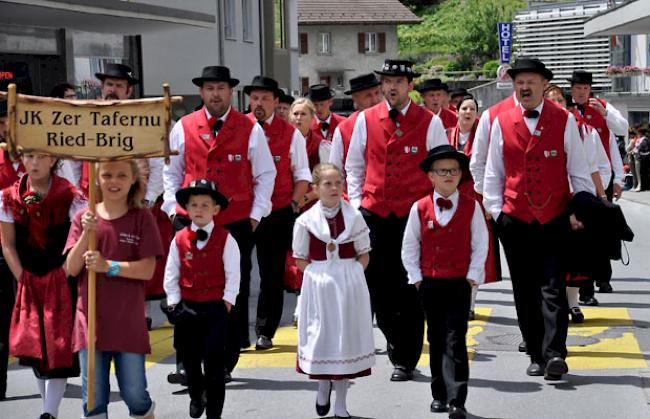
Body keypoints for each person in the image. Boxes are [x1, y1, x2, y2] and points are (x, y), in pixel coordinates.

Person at [484, 57, 595, 380]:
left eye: (531, 81)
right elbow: (493, 174)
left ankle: (555, 353)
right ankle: (535, 352)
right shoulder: (500, 122)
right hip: (515, 218)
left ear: (544, 85)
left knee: (553, 287)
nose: (525, 87)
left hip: (554, 217)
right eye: (519, 82)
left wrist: (579, 209)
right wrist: (498, 213)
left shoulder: (564, 119)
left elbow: (578, 171)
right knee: (524, 289)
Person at [163, 65, 276, 382]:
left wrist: (256, 214)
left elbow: (265, 174)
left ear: (231, 92)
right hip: (190, 221)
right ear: (201, 92)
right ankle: (186, 361)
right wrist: (172, 209)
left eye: (222, 88)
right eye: (210, 88)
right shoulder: (183, 126)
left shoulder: (249, 128)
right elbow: (171, 172)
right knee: (189, 290)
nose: (215, 94)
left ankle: (225, 359)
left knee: (232, 291)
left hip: (235, 221)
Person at [346, 59, 448, 382]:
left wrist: (434, 209)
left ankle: (406, 357)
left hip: (413, 216)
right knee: (378, 286)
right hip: (374, 213)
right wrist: (358, 203)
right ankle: (393, 338)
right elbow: (354, 166)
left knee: (410, 287)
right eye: (387, 81)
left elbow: (442, 169)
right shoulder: (365, 120)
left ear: (410, 86)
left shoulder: (429, 122)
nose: (391, 87)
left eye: (398, 82)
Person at [65, 160, 163, 419]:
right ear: (96, 179)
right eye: (107, 175)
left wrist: (109, 266)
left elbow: (147, 270)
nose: (114, 181)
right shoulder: (83, 217)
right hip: (91, 326)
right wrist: (87, 234)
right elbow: (71, 269)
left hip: (128, 324)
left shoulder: (142, 217)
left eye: (121, 175)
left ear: (133, 179)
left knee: (135, 395)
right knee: (93, 401)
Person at [402, 145, 488, 419]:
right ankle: (438, 393)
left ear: (461, 175)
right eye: (442, 171)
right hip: (430, 284)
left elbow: (480, 244)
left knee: (456, 339)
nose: (449, 175)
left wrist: (473, 276)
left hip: (459, 284)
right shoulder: (420, 207)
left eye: (454, 170)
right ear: (431, 176)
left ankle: (457, 399)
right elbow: (410, 246)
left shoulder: (472, 207)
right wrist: (416, 278)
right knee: (436, 338)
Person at [1, 153, 85, 419]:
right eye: (28, 156)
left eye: (41, 157)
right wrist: (23, 278)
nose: (34, 162)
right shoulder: (8, 197)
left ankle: (49, 411)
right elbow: (8, 245)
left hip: (62, 277)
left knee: (59, 346)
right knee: (34, 345)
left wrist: (62, 273)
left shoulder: (70, 195)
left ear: (53, 160)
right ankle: (47, 409)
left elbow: (79, 238)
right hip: (27, 279)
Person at [293, 163, 374, 419]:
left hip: (348, 285)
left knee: (344, 340)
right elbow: (300, 258)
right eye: (328, 184)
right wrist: (316, 277)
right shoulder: (306, 221)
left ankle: (341, 402)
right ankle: (322, 385)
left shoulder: (354, 217)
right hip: (320, 288)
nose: (334, 188)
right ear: (316, 189)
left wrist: (353, 274)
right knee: (322, 337)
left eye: (338, 183)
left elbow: (364, 253)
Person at [244, 76, 310, 350]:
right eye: (255, 98)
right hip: (242, 211)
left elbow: (302, 173)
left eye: (264, 99)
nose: (259, 103)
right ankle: (236, 331)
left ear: (275, 102)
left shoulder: (290, 133)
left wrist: (294, 204)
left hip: (277, 211)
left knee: (271, 274)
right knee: (239, 271)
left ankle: (265, 330)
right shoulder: (240, 127)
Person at [164, 179, 240, 419]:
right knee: (190, 361)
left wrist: (227, 301)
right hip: (187, 308)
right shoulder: (179, 239)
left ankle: (215, 414)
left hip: (215, 309)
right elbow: (171, 272)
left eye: (205, 205)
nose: (199, 209)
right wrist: (175, 302)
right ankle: (197, 394)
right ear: (186, 208)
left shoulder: (226, 238)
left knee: (215, 366)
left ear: (215, 209)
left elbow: (233, 273)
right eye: (194, 204)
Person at [545, 85, 611, 322]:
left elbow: (597, 167)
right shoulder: (536, 129)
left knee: (574, 258)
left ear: (567, 104)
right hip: (547, 203)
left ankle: (573, 303)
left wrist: (595, 198)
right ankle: (550, 308)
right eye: (550, 100)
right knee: (549, 260)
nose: (555, 104)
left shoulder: (586, 131)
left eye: (559, 100)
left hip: (576, 202)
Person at [568, 69, 627, 295]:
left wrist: (618, 179)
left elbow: (619, 134)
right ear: (572, 90)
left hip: (601, 179)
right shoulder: (565, 111)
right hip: (576, 184)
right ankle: (583, 282)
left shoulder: (602, 106)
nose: (582, 92)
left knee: (602, 232)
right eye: (578, 88)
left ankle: (603, 278)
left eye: (585, 88)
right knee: (581, 234)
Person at [448, 95, 500, 320]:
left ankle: (470, 303)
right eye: (464, 108)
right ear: (457, 112)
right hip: (450, 197)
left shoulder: (484, 136)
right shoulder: (446, 134)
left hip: (476, 198)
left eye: (472, 109)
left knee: (476, 252)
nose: (468, 112)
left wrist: (489, 201)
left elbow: (492, 169)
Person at [0, 100, 24, 401]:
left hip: (35, 246)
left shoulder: (37, 158)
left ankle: (49, 379)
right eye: (3, 124)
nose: (7, 128)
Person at [329, 73, 382, 172]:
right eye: (368, 96)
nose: (375, 100)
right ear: (355, 98)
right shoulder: (343, 130)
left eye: (377, 93)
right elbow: (335, 170)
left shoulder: (391, 120)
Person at [307, 84, 346, 162]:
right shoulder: (307, 126)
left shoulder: (343, 123)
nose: (318, 108)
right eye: (315, 105)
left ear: (330, 102)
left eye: (322, 104)